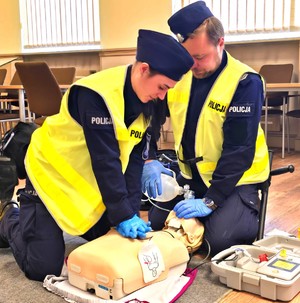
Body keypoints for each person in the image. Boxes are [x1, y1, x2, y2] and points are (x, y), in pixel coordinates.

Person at [0, 29, 194, 281]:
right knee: (42, 268)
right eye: (162, 86)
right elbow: (106, 161)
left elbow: (134, 161)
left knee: (113, 246)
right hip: (49, 177)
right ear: (143, 69)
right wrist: (122, 214)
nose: (162, 95)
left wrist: (131, 211)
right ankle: (8, 217)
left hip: (83, 186)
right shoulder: (95, 95)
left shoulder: (148, 101)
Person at [142, 1, 270, 256]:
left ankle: (240, 212)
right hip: (192, 177)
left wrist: (212, 201)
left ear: (220, 43)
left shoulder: (245, 82)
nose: (193, 65)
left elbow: (239, 150)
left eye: (200, 57)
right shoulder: (181, 75)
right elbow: (149, 116)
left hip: (235, 180)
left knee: (219, 241)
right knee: (157, 223)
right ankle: (204, 218)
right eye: (187, 57)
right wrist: (149, 159)